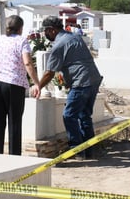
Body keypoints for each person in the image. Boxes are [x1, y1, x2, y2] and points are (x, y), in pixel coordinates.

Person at [35, 16, 103, 160]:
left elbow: (49, 72)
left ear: (52, 30)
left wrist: (38, 86)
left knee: (69, 115)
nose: (45, 35)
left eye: (45, 31)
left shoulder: (58, 45)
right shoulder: (74, 37)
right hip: (93, 79)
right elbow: (76, 60)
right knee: (84, 115)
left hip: (81, 82)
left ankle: (76, 149)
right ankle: (89, 150)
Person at [0, 15, 41, 155]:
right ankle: (14, 157)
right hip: (14, 83)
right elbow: (28, 63)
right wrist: (36, 83)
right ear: (20, 28)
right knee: (14, 123)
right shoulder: (22, 41)